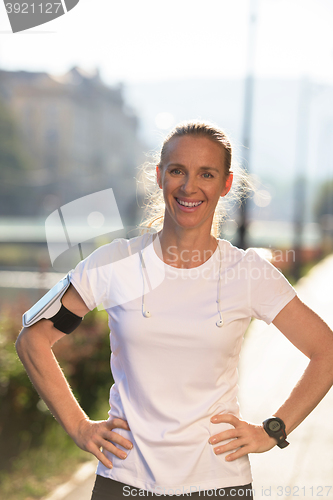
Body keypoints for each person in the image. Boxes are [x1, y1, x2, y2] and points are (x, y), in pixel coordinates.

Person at [16, 121, 333, 499]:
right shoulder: (116, 263)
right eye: (178, 171)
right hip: (123, 480)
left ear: (226, 184)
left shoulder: (248, 273)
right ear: (160, 176)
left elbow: (325, 351)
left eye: (207, 174)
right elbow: (34, 339)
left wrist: (273, 431)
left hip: (219, 483)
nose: (189, 187)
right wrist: (78, 426)